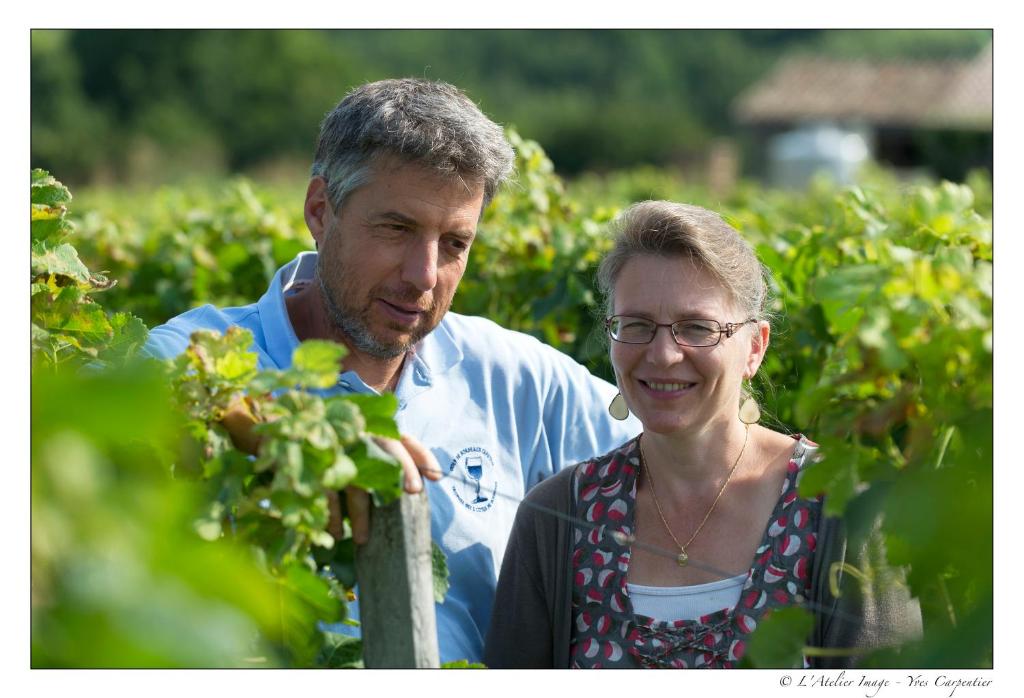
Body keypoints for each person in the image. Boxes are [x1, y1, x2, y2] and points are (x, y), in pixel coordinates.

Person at [143, 78, 640, 665]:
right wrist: (304, 438)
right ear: (320, 211)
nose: (424, 274)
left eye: (454, 243)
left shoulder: (515, 375)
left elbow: (674, 455)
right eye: (397, 229)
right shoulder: (199, 358)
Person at [484, 201, 921, 668]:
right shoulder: (557, 516)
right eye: (637, 326)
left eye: (696, 328)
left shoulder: (841, 506)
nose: (664, 355)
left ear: (754, 347)